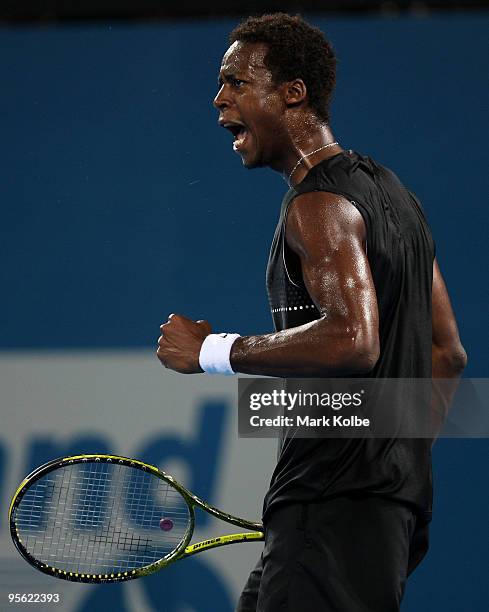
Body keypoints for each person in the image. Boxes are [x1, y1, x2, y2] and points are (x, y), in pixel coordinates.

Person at [156, 13, 467, 612]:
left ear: (294, 92)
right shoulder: (398, 199)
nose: (219, 99)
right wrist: (391, 466)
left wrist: (211, 351)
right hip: (379, 507)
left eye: (237, 83)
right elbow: (447, 353)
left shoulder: (318, 205)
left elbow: (353, 340)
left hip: (331, 502)